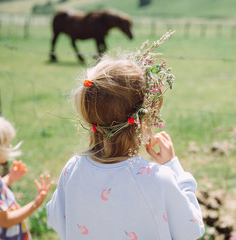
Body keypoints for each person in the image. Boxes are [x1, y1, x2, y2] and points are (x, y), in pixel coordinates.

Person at [47, 31, 205, 239]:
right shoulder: (157, 179)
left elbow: (56, 219)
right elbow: (191, 230)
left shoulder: (73, 168)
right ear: (143, 119)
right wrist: (174, 168)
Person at [0, 112, 54, 239]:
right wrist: (35, 204)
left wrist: (9, 179)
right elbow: (6, 220)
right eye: (5, 145)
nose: (9, 147)